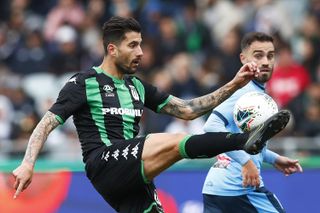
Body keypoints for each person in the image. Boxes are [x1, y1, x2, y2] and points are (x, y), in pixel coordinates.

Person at [12, 17, 290, 213]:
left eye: (141, 44)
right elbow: (46, 123)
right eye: (133, 45)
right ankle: (245, 141)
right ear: (112, 49)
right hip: (104, 164)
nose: (141, 52)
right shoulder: (83, 83)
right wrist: (28, 163)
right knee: (173, 141)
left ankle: (246, 140)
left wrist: (234, 84)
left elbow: (188, 110)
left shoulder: (138, 87)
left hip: (134, 176)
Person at [202, 32, 303, 213]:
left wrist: (274, 159)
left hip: (216, 188)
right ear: (243, 58)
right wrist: (246, 162)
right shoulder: (244, 91)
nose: (266, 62)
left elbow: (247, 142)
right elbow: (210, 126)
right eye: (258, 55)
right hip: (238, 189)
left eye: (270, 56)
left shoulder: (255, 93)